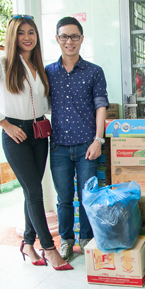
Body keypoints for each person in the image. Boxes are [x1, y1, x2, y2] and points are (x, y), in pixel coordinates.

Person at [0, 15, 72, 270]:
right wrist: (4, 123)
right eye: (21, 33)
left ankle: (28, 244)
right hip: (15, 133)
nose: (27, 37)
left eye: (31, 32)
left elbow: (46, 103)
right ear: (12, 36)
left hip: (39, 132)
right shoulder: (2, 63)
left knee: (33, 190)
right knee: (34, 191)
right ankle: (48, 248)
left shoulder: (38, 66)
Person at [46, 16, 109, 261]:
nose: (69, 41)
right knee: (63, 199)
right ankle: (66, 241)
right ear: (57, 39)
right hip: (59, 146)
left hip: (87, 145)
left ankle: (85, 239)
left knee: (87, 197)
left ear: (81, 39)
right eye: (64, 36)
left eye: (74, 36)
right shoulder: (48, 72)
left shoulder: (94, 71)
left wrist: (98, 140)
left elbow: (101, 106)